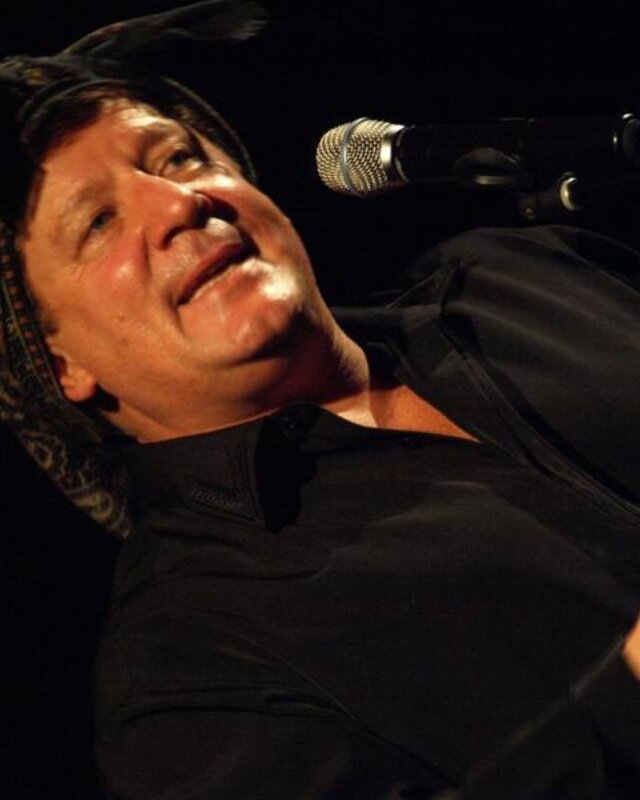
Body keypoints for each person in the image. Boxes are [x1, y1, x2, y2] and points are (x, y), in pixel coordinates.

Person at [1, 3, 640, 798]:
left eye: (180, 159)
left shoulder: (518, 277)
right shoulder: (187, 678)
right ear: (57, 363)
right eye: (99, 221)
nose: (178, 204)